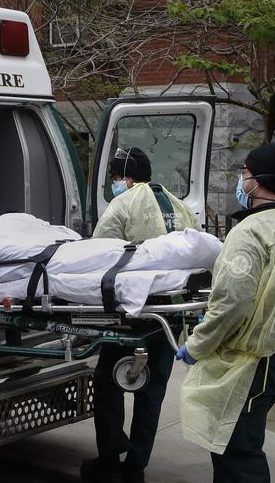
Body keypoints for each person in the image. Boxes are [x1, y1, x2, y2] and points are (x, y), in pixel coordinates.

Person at [82, 147, 202, 483]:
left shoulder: (124, 203)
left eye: (116, 178)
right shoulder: (180, 205)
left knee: (108, 384)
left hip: (133, 313)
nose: (115, 184)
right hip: (170, 314)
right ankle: (136, 467)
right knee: (152, 390)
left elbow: (97, 254)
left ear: (126, 178)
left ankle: (108, 463)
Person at [176, 143, 275, 483]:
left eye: (246, 174)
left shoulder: (253, 231)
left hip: (250, 364)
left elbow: (232, 303)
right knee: (240, 445)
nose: (243, 180)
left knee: (238, 451)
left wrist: (197, 345)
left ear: (260, 180)